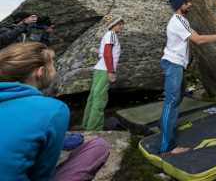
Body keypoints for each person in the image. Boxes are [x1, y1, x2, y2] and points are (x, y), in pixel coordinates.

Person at [0, 42, 109, 180]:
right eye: (53, 65)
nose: (55, 70)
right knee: (99, 146)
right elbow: (41, 175)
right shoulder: (53, 109)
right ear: (39, 72)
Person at [159, 0, 216, 155]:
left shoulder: (183, 21)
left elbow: (199, 36)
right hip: (173, 64)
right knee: (171, 101)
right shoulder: (177, 22)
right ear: (180, 5)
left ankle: (168, 130)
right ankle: (167, 147)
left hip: (177, 65)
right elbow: (198, 40)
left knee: (177, 98)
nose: (190, 4)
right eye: (187, 2)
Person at [82, 16, 125, 131]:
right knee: (100, 98)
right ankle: (94, 128)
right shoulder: (111, 35)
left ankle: (86, 124)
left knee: (93, 97)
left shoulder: (108, 35)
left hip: (99, 69)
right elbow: (107, 54)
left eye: (122, 24)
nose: (121, 26)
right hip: (104, 70)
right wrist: (111, 71)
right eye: (119, 24)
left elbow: (103, 53)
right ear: (113, 25)